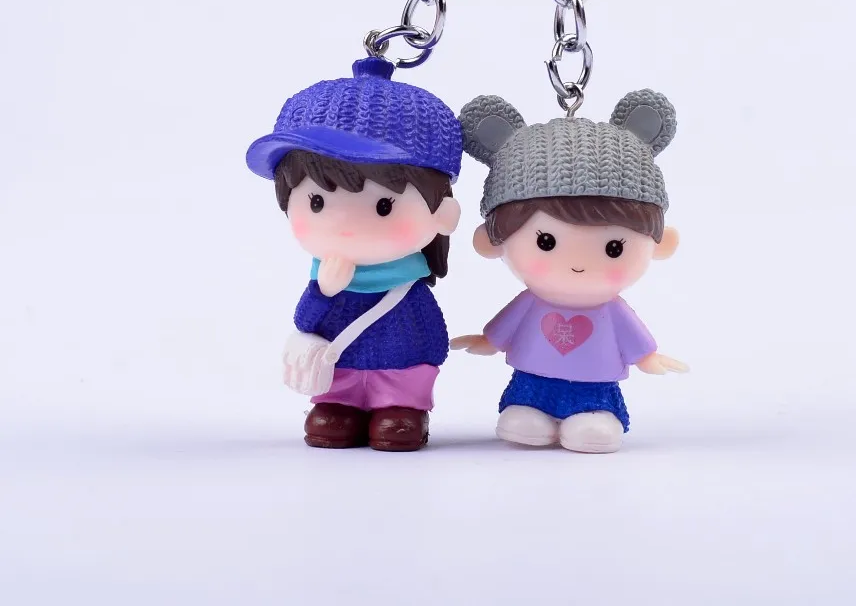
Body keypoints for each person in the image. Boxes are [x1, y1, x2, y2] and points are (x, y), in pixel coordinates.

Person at [246, 56, 462, 452]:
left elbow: (431, 335)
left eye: (383, 206)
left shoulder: (408, 287)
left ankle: (402, 409)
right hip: (340, 369)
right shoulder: (327, 276)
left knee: (398, 415)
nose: (344, 224)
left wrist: (428, 357)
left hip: (400, 373)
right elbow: (306, 321)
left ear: (443, 214)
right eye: (316, 202)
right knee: (334, 413)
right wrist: (324, 291)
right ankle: (340, 407)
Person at [451, 90, 687, 454]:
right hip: (532, 380)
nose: (578, 264)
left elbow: (633, 337)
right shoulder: (532, 302)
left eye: (614, 248)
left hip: (595, 385)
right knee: (525, 413)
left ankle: (595, 418)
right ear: (493, 241)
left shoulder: (611, 310)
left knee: (592, 419)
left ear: (660, 243)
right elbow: (506, 327)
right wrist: (489, 340)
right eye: (546, 242)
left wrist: (647, 356)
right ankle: (528, 413)